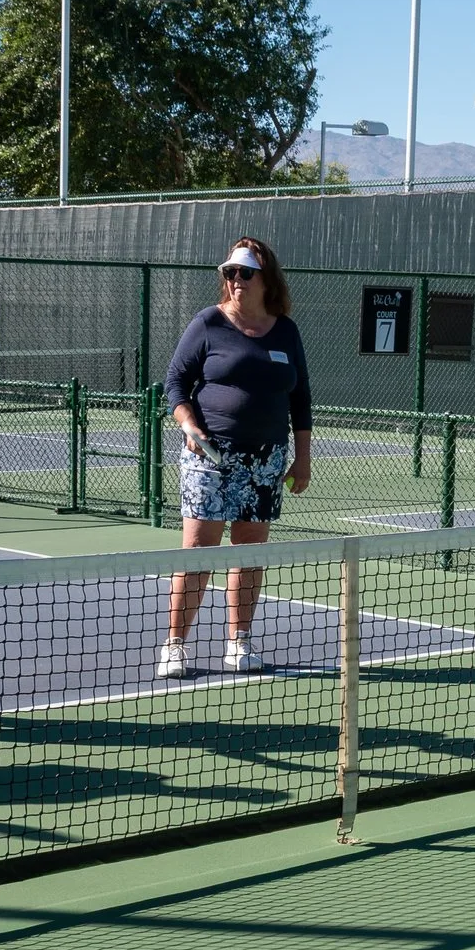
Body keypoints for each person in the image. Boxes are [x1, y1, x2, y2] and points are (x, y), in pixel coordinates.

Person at [157, 238, 314, 678]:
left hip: (265, 460)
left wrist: (301, 460)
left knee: (249, 551)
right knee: (198, 551)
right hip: (210, 458)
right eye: (230, 272)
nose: (236, 280)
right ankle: (174, 646)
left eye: (246, 272)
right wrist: (188, 424)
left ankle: (239, 644)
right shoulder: (208, 323)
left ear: (266, 279)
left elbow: (300, 399)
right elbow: (175, 385)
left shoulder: (286, 330)